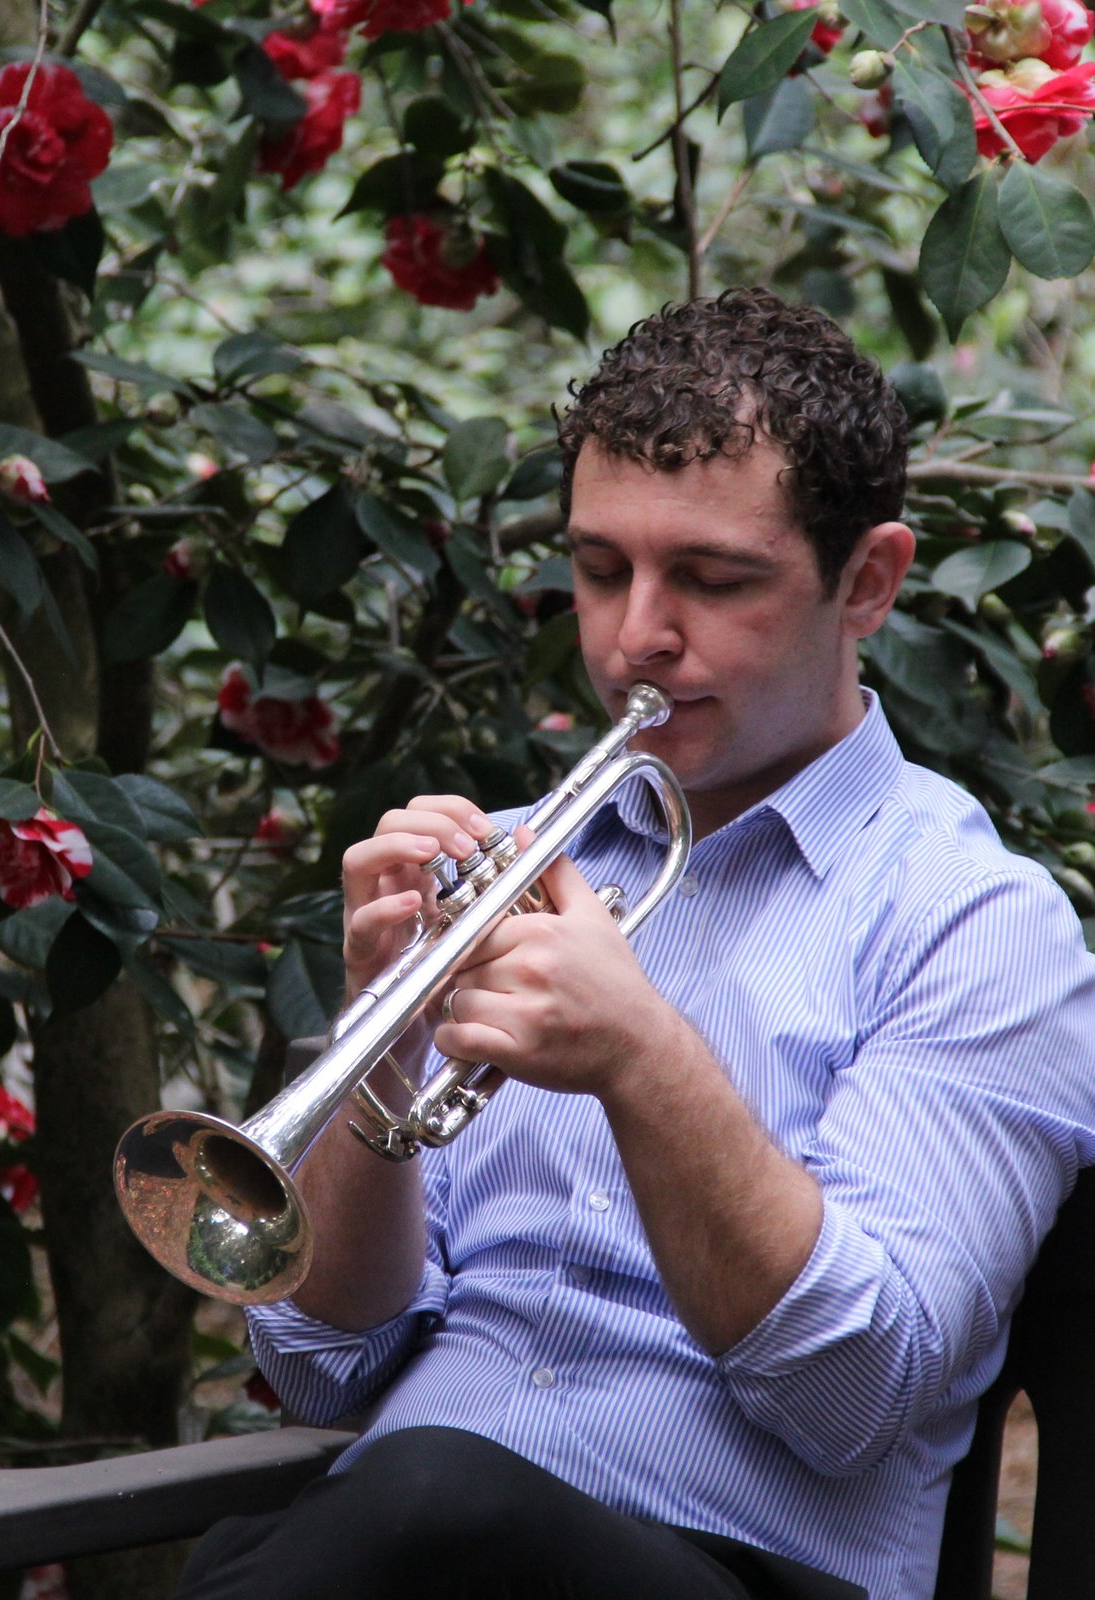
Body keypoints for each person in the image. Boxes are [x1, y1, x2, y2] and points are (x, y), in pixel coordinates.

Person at [175, 288, 1095, 1600]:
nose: (633, 637)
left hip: (740, 1568)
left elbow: (855, 1396)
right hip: (401, 1537)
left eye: (713, 579)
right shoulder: (502, 860)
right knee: (407, 1502)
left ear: (869, 582)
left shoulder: (979, 928)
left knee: (432, 1501)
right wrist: (380, 1054)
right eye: (599, 568)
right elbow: (326, 1365)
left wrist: (644, 1058)